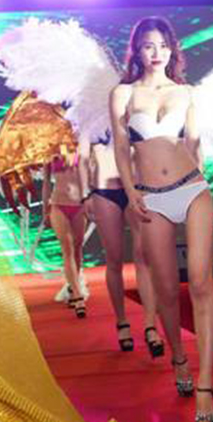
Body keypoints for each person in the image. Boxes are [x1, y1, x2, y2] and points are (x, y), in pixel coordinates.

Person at [109, 17, 213, 422]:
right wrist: (131, 191)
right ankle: (179, 358)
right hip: (150, 198)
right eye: (148, 45)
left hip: (192, 188)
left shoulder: (187, 93)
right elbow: (121, 149)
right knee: (168, 292)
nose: (156, 53)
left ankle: (205, 387)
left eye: (162, 45)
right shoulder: (123, 94)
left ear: (172, 50)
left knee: (202, 284)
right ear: (137, 51)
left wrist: (202, 175)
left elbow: (195, 142)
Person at [79, 134, 164, 355]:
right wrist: (85, 194)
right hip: (104, 190)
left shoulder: (130, 116)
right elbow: (83, 156)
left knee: (143, 256)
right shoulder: (90, 119)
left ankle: (150, 325)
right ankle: (122, 322)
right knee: (114, 258)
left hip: (136, 187)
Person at [42, 154, 87, 318]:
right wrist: (44, 209)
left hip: (79, 204)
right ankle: (78, 295)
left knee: (77, 248)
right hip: (58, 204)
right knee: (67, 249)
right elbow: (46, 183)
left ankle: (73, 286)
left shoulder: (80, 147)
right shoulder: (48, 151)